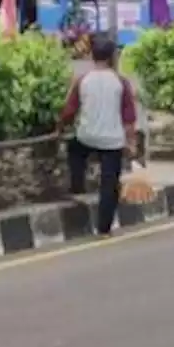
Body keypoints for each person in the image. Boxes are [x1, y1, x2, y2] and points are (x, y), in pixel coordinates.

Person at [56, 33, 138, 237]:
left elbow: (68, 111)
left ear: (92, 56)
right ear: (112, 57)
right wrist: (132, 143)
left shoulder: (82, 80)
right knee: (109, 184)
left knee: (74, 150)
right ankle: (104, 228)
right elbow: (129, 118)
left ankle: (77, 185)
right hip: (112, 141)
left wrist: (59, 129)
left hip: (87, 137)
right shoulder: (121, 82)